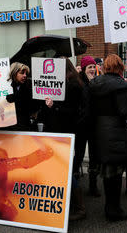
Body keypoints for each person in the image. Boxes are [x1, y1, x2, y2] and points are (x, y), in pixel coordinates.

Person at [83, 54, 127, 221]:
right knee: (115, 175)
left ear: (104, 67)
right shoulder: (120, 86)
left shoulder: (94, 84)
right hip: (116, 134)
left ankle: (110, 207)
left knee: (108, 174)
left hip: (99, 133)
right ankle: (113, 210)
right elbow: (125, 111)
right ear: (120, 67)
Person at [40, 59, 85, 220]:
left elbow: (72, 111)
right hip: (61, 132)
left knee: (65, 169)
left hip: (64, 132)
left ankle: (78, 208)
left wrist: (54, 106)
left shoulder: (72, 86)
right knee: (63, 169)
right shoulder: (67, 84)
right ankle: (71, 205)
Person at [74, 56, 101, 197]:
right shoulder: (78, 84)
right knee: (78, 155)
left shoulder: (98, 82)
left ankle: (93, 186)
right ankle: (75, 187)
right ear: (83, 69)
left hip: (95, 126)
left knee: (94, 157)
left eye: (93, 67)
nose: (91, 69)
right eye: (89, 67)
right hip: (81, 126)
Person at [5, 62, 34, 130]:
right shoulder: (6, 87)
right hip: (8, 127)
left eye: (26, 73)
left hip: (24, 126)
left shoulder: (29, 87)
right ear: (14, 73)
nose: (25, 76)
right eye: (22, 73)